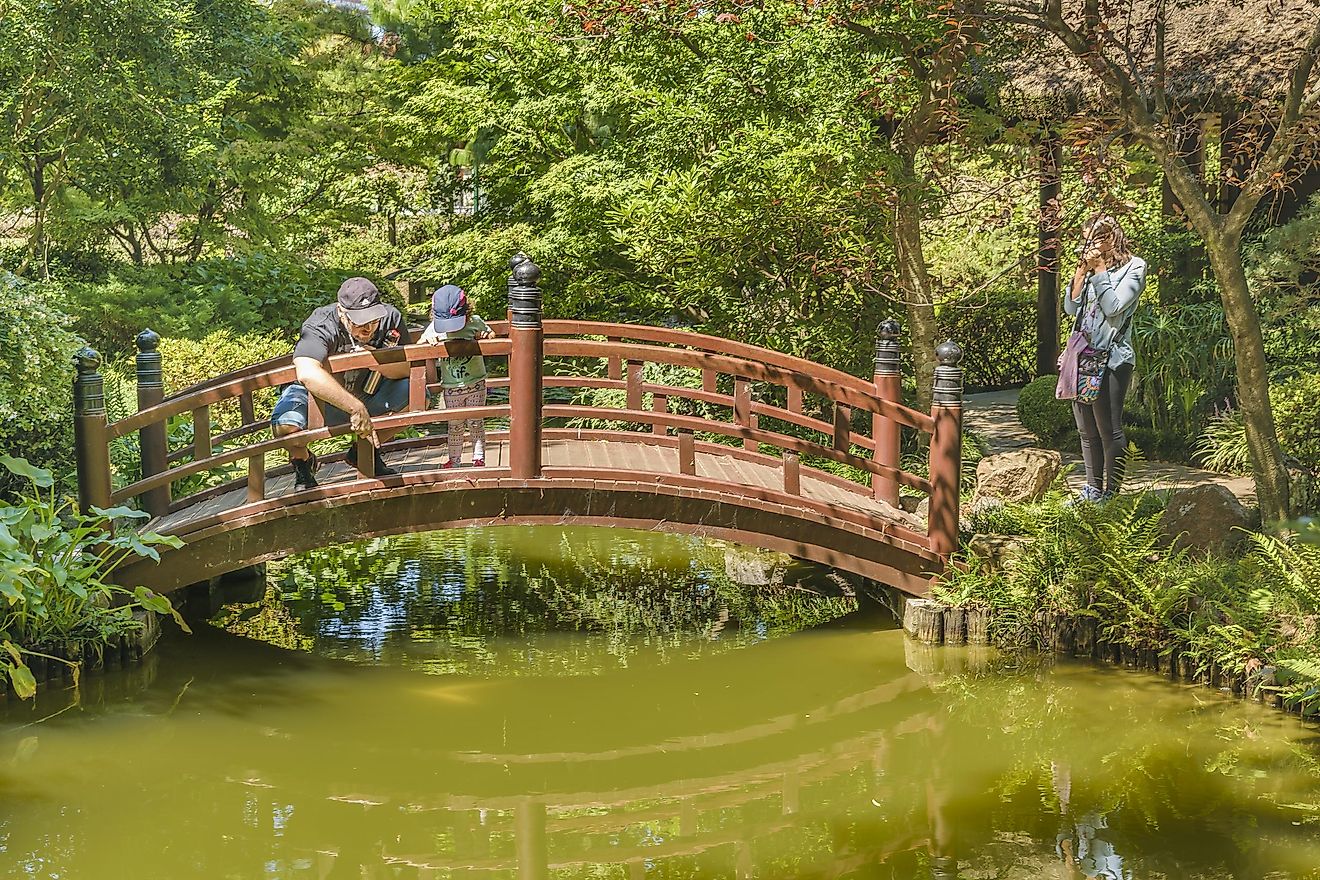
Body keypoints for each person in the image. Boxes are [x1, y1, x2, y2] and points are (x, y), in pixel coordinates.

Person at [270, 277, 413, 490]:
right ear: (341, 312)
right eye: (360, 321)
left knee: (417, 397)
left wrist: (376, 360)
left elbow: (407, 368)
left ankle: (363, 452)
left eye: (373, 320)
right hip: (320, 398)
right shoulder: (320, 323)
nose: (368, 329)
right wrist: (355, 407)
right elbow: (307, 372)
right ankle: (302, 462)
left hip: (369, 391)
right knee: (284, 425)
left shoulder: (391, 318)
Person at [1063, 214, 1147, 503]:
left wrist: (1099, 271)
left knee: (1108, 429)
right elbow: (1071, 309)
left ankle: (1111, 495)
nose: (1088, 247)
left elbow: (1113, 308)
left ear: (1109, 238)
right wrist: (1079, 274)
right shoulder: (1090, 271)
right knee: (1086, 430)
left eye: (1093, 240)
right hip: (1081, 357)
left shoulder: (1134, 268)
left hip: (1112, 360)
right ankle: (1092, 489)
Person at [418, 284, 494, 467]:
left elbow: (492, 334)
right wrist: (427, 341)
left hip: (476, 383)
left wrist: (485, 336)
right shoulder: (435, 328)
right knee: (454, 425)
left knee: (476, 422)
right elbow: (419, 344)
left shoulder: (474, 322)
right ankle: (454, 459)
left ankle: (478, 457)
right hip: (451, 387)